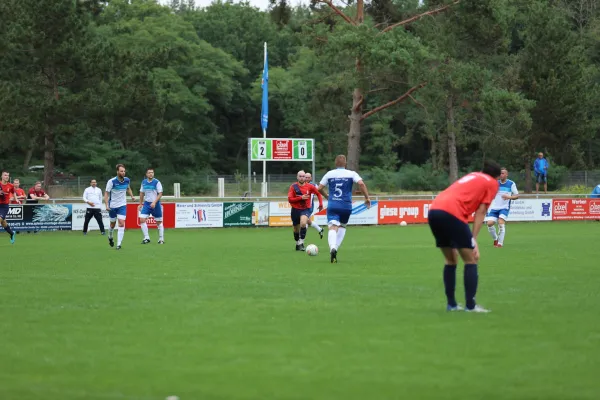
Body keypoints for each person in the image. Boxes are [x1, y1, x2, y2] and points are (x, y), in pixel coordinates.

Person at [428, 160, 501, 313]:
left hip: (434, 210)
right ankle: (470, 306)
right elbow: (481, 211)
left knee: (450, 259)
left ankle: (452, 305)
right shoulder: (492, 183)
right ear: (496, 176)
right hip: (452, 213)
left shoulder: (473, 175)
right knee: (471, 259)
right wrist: (473, 239)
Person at [317, 155, 371, 263]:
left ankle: (332, 247)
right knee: (342, 226)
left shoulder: (330, 174)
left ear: (335, 163)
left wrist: (327, 196)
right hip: (346, 206)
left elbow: (319, 188)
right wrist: (367, 197)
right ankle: (336, 248)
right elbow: (361, 183)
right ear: (345, 163)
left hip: (333, 205)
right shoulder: (351, 173)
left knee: (333, 227)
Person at [287, 170, 323, 251]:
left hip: (305, 209)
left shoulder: (310, 186)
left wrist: (321, 204)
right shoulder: (293, 187)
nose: (302, 178)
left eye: (303, 176)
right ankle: (298, 242)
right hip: (295, 210)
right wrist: (301, 197)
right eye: (300, 176)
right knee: (296, 229)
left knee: (303, 223)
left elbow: (318, 193)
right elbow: (290, 199)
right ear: (297, 177)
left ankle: (301, 243)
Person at [485, 168, 519, 248]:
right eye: (500, 173)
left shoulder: (511, 183)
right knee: (489, 223)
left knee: (501, 223)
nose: (501, 175)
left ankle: (500, 243)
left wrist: (509, 197)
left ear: (506, 175)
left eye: (503, 173)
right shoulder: (495, 183)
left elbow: (517, 196)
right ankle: (496, 239)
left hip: (504, 207)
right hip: (495, 207)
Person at [104, 164, 135, 250]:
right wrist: (106, 205)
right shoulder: (111, 181)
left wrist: (132, 196)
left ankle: (118, 244)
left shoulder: (127, 180)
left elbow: (128, 188)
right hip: (112, 206)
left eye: (124, 171)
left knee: (121, 223)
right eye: (121, 171)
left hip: (122, 205)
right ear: (117, 172)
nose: (123, 173)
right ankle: (110, 236)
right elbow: (106, 193)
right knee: (112, 224)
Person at [139, 168, 165, 244]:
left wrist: (154, 202)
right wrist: (140, 204)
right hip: (147, 204)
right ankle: (146, 238)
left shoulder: (157, 182)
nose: (151, 174)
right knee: (142, 219)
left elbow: (160, 193)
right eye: (149, 173)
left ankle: (161, 239)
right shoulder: (144, 182)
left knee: (159, 222)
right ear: (146, 174)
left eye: (152, 172)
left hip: (155, 204)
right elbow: (141, 193)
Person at [304, 172, 324, 239]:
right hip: (301, 206)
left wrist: (321, 204)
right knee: (308, 221)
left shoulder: (313, 185)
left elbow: (319, 194)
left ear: (311, 178)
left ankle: (301, 239)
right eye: (306, 177)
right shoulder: (300, 185)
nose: (307, 179)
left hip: (309, 207)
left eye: (308, 177)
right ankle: (320, 229)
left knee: (304, 221)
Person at [0, 171, 17, 244]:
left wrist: (16, 199)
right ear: (2, 176)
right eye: (5, 175)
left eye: (8, 175)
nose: (7, 176)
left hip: (4, 207)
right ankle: (12, 233)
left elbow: (14, 192)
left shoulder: (10, 185)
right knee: (3, 223)